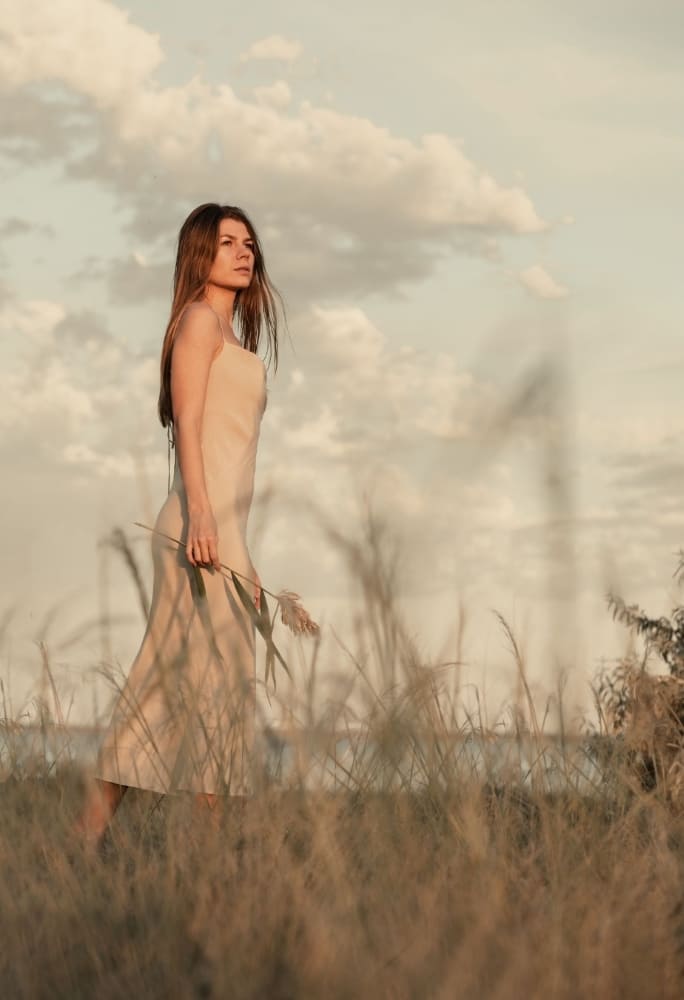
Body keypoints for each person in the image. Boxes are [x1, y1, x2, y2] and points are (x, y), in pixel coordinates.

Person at [74, 202, 281, 847]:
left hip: (220, 530)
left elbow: (233, 453)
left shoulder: (230, 336)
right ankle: (211, 866)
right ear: (202, 254)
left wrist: (240, 550)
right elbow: (188, 424)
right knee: (213, 690)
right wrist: (199, 515)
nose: (244, 253)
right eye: (227, 243)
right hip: (198, 526)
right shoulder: (197, 322)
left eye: (248, 243)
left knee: (175, 689)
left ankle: (82, 845)